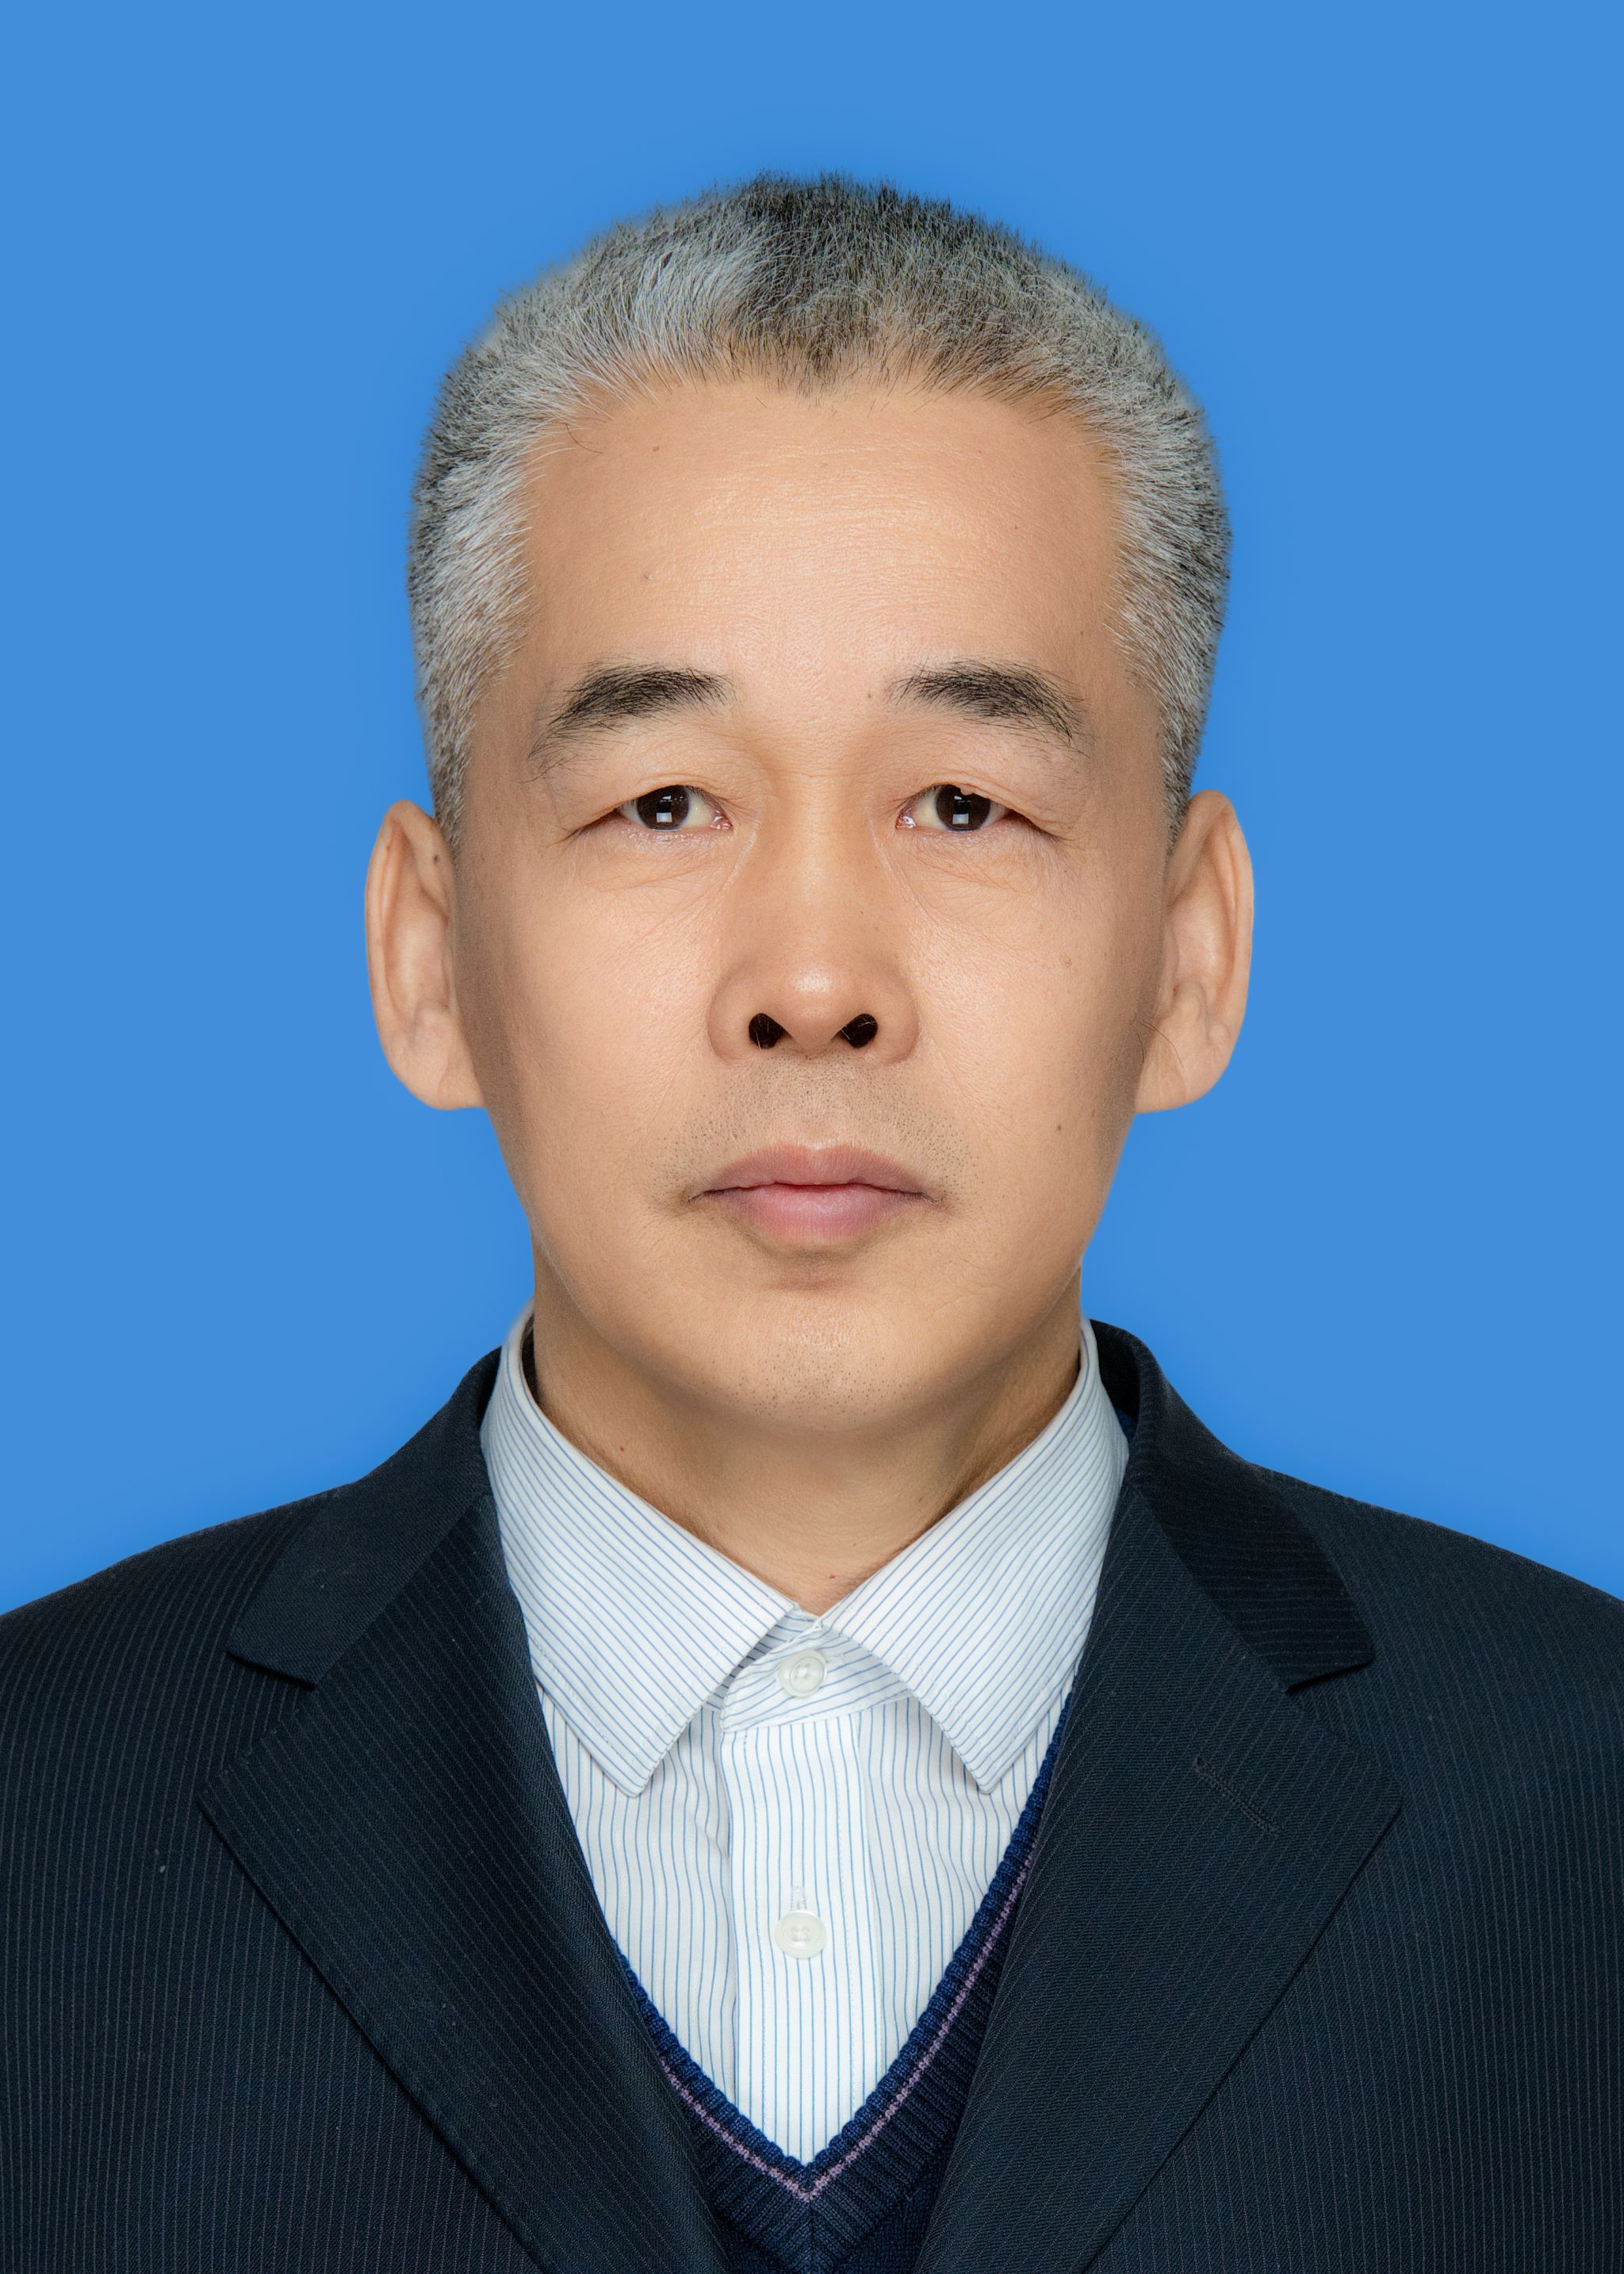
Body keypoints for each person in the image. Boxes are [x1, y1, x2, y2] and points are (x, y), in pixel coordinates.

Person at [2, 174, 1618, 2274]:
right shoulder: (41, 1828)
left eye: (964, 802)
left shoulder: (1583, 1813)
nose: (816, 977)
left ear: (1190, 954)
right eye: (664, 800)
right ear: (427, 956)